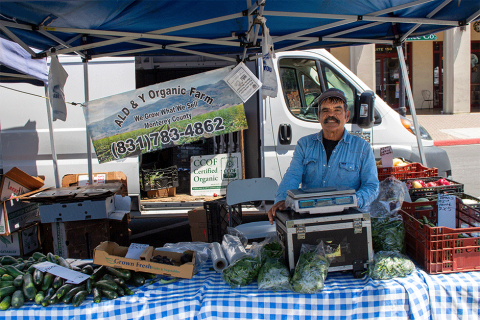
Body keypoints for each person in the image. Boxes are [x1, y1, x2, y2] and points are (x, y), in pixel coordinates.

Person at [268, 88, 379, 224]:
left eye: (337, 110)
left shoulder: (362, 148)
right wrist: (281, 199)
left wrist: (355, 200)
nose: (331, 115)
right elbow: (292, 176)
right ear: (318, 116)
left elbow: (372, 186)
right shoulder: (305, 144)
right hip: (310, 218)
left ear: (347, 115)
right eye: (325, 111)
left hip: (349, 219)